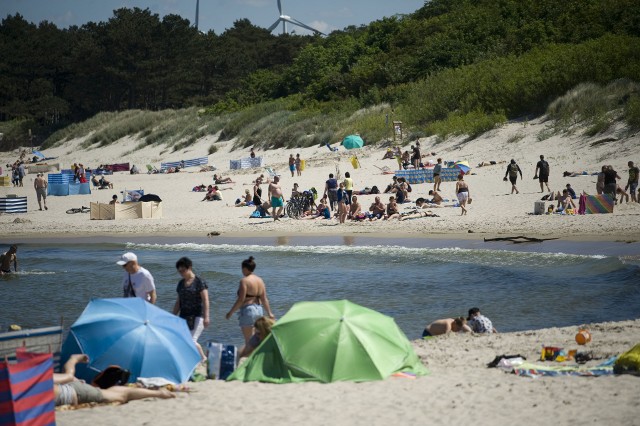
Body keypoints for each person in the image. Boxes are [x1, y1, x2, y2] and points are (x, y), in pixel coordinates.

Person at [54, 354, 175, 407]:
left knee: (123, 394)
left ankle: (159, 393)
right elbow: (68, 376)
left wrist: (73, 359)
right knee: (117, 391)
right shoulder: (37, 378)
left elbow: (69, 376)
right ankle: (157, 392)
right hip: (72, 389)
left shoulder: (37, 380)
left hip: (74, 391)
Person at [226, 256, 275, 344]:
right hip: (259, 311)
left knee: (249, 341)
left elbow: (241, 299)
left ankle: (249, 357)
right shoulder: (260, 280)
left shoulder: (244, 281)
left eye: (242, 269)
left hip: (248, 310)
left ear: (245, 268)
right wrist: (270, 313)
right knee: (257, 339)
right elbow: (264, 299)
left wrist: (231, 312)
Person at [172, 257, 210, 363]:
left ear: (190, 268)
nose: (181, 273)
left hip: (198, 315)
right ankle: (199, 358)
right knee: (183, 339)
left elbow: (205, 300)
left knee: (191, 340)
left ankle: (203, 358)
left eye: (183, 270)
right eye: (179, 271)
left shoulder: (199, 282)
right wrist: (173, 316)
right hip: (184, 315)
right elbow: (178, 302)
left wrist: (207, 316)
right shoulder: (180, 283)